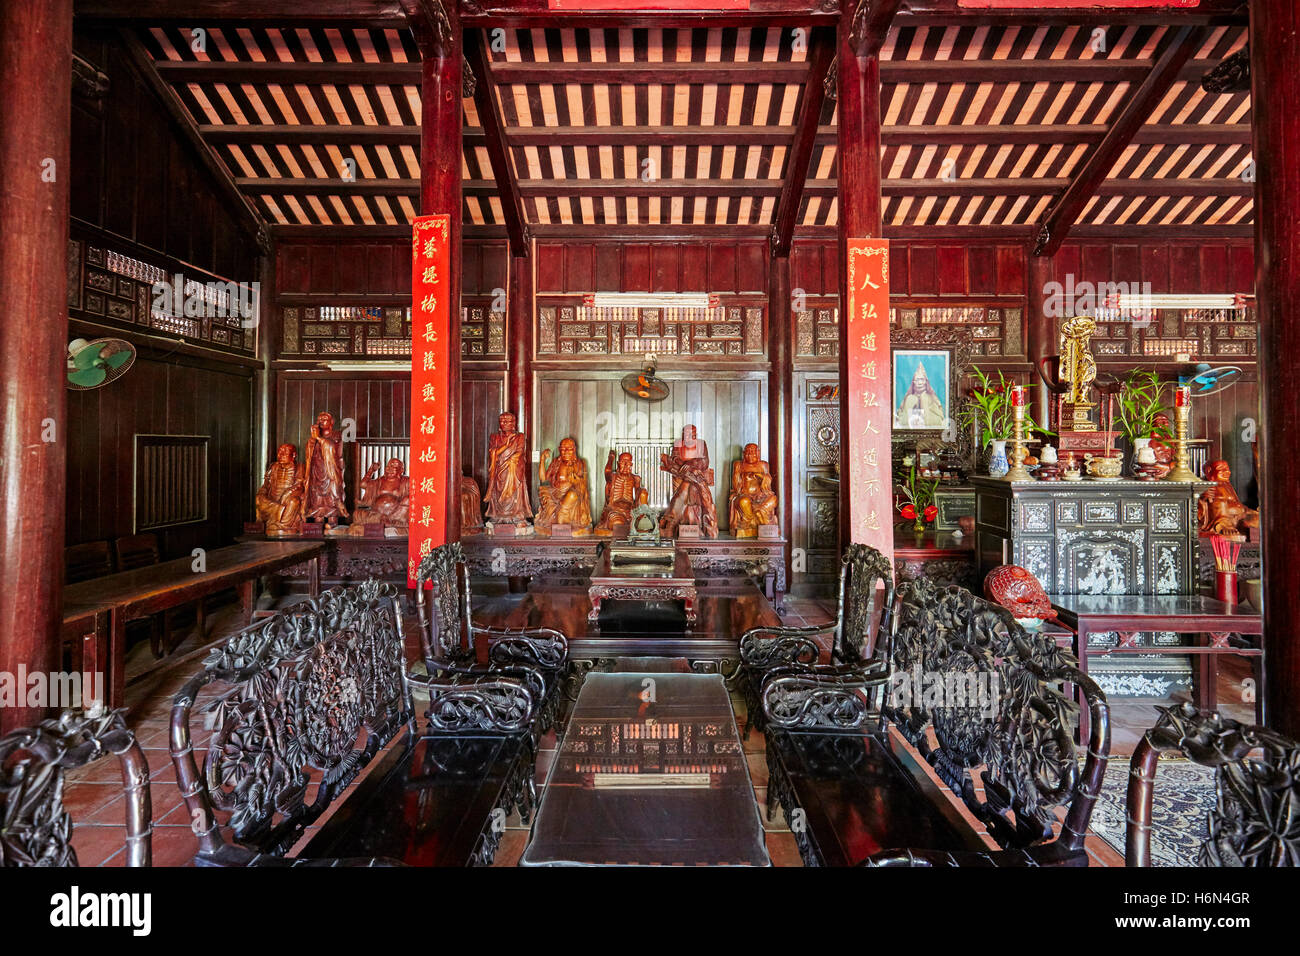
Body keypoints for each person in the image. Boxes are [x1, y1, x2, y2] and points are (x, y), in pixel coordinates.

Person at [659, 424, 718, 538]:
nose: (688, 437)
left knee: (688, 484)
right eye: (686, 434)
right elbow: (674, 459)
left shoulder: (701, 444)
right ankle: (672, 522)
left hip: (696, 476)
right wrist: (682, 465)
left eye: (691, 434)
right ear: (682, 435)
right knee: (687, 483)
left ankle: (670, 521)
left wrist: (690, 464)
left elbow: (705, 461)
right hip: (681, 474)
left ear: (695, 435)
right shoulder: (678, 444)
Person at [535, 437, 592, 535]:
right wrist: (542, 460)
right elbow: (543, 479)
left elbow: (582, 484)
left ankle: (562, 514)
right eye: (563, 449)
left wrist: (573, 477)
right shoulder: (556, 462)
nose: (565, 452)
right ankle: (558, 516)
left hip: (570, 494)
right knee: (542, 490)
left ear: (574, 450)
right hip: (555, 492)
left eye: (569, 449)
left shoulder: (579, 463)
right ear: (559, 449)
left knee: (573, 495)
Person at [485, 412, 532, 526]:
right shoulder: (495, 437)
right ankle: (498, 515)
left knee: (513, 492)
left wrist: (509, 461)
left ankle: (515, 515)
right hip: (498, 470)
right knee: (497, 491)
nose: (504, 423)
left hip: (513, 470)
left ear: (513, 423)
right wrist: (506, 445)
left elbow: (519, 452)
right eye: (502, 421)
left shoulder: (520, 436)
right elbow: (493, 453)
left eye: (507, 421)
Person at [304, 411, 348, 525]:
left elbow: (332, 449)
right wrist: (313, 440)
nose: (321, 422)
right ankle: (317, 525)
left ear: (331, 422)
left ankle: (332, 523)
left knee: (332, 499)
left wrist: (319, 438)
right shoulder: (313, 439)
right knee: (317, 501)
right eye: (319, 420)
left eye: (324, 419)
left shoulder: (337, 435)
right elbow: (309, 456)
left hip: (331, 473)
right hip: (317, 472)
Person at [728, 443, 778, 537]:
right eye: (748, 452)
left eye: (753, 452)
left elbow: (768, 481)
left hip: (761, 496)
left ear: (758, 453)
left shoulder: (763, 464)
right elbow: (735, 486)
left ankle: (760, 510)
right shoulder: (739, 464)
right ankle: (753, 519)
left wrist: (761, 477)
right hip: (745, 495)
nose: (750, 454)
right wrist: (738, 473)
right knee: (744, 501)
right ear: (743, 453)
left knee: (774, 499)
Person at [255, 443, 304, 536]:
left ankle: (282, 524)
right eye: (279, 452)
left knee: (294, 502)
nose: (280, 455)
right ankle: (278, 512)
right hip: (272, 499)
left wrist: (287, 493)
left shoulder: (299, 467)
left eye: (284, 453)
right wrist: (262, 492)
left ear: (293, 455)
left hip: (287, 499)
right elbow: (266, 485)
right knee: (259, 498)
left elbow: (299, 485)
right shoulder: (273, 467)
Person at [596, 451, 648, 536]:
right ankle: (630, 529)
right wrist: (611, 457)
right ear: (618, 463)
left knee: (643, 492)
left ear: (631, 464)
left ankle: (642, 520)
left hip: (630, 512)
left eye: (628, 463)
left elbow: (639, 496)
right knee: (618, 524)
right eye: (623, 462)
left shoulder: (635, 478)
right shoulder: (613, 477)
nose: (626, 465)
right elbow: (607, 470)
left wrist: (643, 493)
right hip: (615, 511)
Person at [352, 457, 410, 533]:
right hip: (377, 514)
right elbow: (363, 484)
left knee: (408, 500)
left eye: (394, 467)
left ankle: (390, 520)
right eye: (388, 466)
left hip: (397, 514)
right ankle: (385, 521)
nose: (390, 469)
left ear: (401, 470)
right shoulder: (380, 481)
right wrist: (371, 471)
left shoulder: (406, 481)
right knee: (357, 514)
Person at [895, 360, 946, 429]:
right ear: (913, 382)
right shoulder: (908, 398)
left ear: (926, 381)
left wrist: (924, 404)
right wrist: (909, 406)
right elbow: (900, 421)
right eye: (917, 380)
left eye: (922, 379)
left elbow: (940, 420)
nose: (920, 383)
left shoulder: (932, 398)